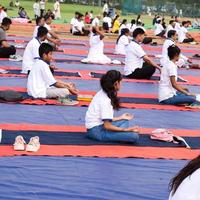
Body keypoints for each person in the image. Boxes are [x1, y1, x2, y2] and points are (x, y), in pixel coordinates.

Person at [85, 70, 140, 143]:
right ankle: (117, 135)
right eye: (120, 82)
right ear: (116, 83)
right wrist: (126, 130)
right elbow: (107, 126)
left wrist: (121, 117)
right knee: (134, 136)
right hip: (96, 132)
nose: (121, 84)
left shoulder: (103, 92)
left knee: (125, 121)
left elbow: (104, 119)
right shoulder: (106, 100)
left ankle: (117, 134)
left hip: (97, 127)